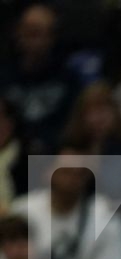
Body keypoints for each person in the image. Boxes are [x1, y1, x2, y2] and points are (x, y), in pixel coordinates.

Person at [11, 139, 121, 259]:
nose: (73, 179)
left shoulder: (107, 217)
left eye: (80, 173)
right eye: (66, 172)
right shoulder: (22, 211)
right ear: (48, 171)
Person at [0, 3, 79, 158]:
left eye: (37, 33)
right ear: (17, 33)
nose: (32, 40)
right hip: (8, 155)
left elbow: (75, 126)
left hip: (54, 158)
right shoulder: (3, 77)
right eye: (27, 32)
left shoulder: (69, 79)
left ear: (52, 36)